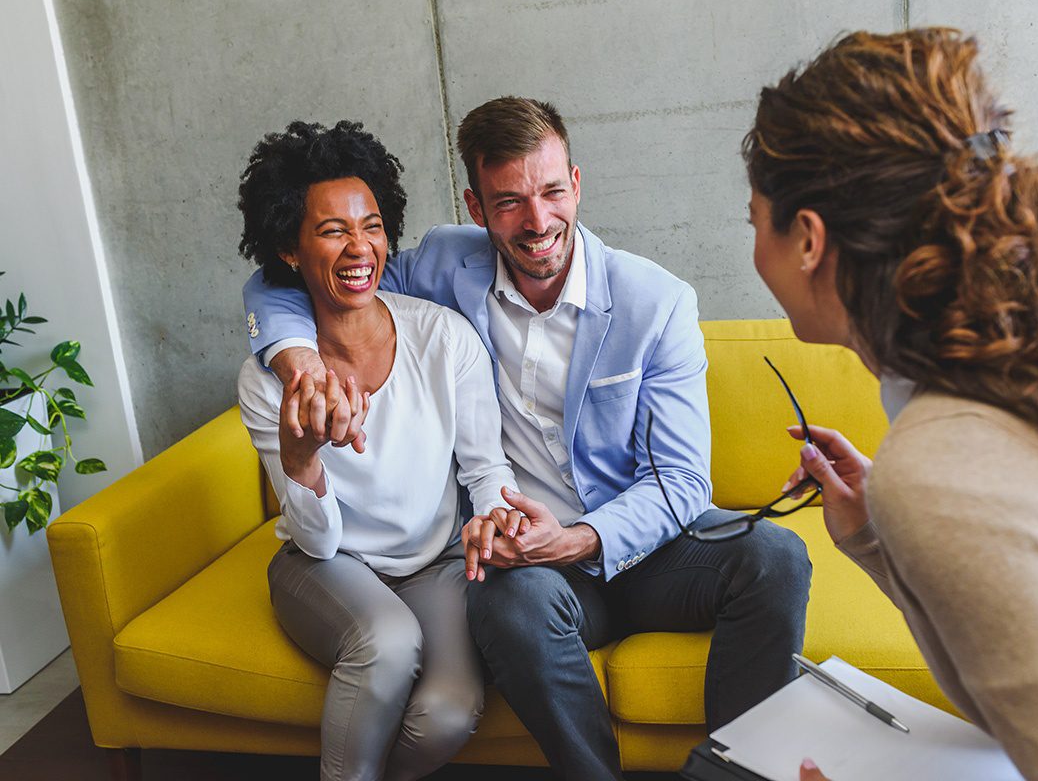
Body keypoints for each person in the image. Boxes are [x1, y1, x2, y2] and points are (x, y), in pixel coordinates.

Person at [243, 97, 812, 780]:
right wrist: (295, 360)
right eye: (509, 201)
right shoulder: (444, 269)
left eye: (550, 192)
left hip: (644, 548)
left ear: (577, 184)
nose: (538, 221)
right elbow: (294, 276)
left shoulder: (654, 303)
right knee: (503, 603)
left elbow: (684, 483)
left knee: (776, 556)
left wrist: (579, 538)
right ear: (476, 209)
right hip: (527, 565)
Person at [741, 29, 1038, 781]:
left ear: (808, 239)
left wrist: (921, 501)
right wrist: (879, 533)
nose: (754, 247)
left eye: (754, 222)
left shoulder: (942, 468)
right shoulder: (1030, 356)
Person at [235, 121, 519, 781]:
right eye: (332, 230)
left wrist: (495, 514)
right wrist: (302, 457)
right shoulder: (266, 380)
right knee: (388, 643)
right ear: (288, 247)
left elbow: (485, 466)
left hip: (436, 562)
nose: (359, 246)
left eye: (371, 226)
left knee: (449, 713)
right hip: (326, 565)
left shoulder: (442, 338)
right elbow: (317, 540)